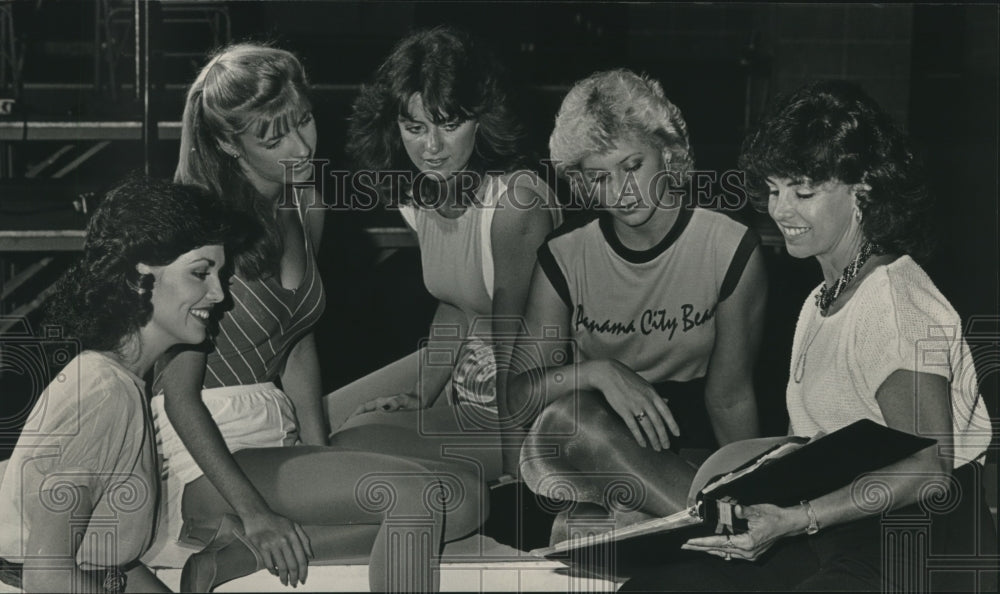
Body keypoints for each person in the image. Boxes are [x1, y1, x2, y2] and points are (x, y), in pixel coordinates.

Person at [621, 80, 996, 592]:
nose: (781, 211)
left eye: (803, 192)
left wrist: (796, 519)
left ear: (862, 190)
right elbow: (829, 440)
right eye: (774, 190)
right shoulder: (820, 299)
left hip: (918, 538)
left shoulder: (894, 303)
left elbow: (929, 470)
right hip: (840, 525)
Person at [148, 43, 485, 592]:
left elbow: (297, 342)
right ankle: (242, 534)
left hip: (273, 425)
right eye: (273, 138)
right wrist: (256, 512)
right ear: (230, 145)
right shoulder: (198, 225)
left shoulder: (305, 202)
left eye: (304, 121)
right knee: (418, 497)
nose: (302, 146)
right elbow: (178, 396)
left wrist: (318, 450)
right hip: (208, 455)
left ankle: (233, 558)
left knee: (467, 497)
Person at [512, 69, 767, 536]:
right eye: (599, 177)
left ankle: (732, 523)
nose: (622, 192)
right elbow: (515, 397)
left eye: (632, 166)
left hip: (688, 454)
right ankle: (727, 529)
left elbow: (730, 399)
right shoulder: (565, 254)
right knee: (571, 417)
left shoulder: (729, 247)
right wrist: (598, 373)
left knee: (592, 524)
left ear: (666, 152)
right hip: (591, 441)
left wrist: (756, 489)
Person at [327, 26, 561, 481]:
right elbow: (457, 308)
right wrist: (422, 393)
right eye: (414, 127)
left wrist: (518, 479)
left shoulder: (516, 205)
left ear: (483, 119)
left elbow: (522, 347)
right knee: (317, 423)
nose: (430, 148)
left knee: (352, 445)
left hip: (537, 398)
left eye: (450, 125)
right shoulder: (418, 193)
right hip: (472, 372)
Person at [0, 177, 237, 593]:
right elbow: (46, 576)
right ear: (139, 278)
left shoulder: (122, 383)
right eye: (201, 273)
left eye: (221, 273)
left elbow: (110, 565)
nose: (220, 293)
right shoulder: (102, 393)